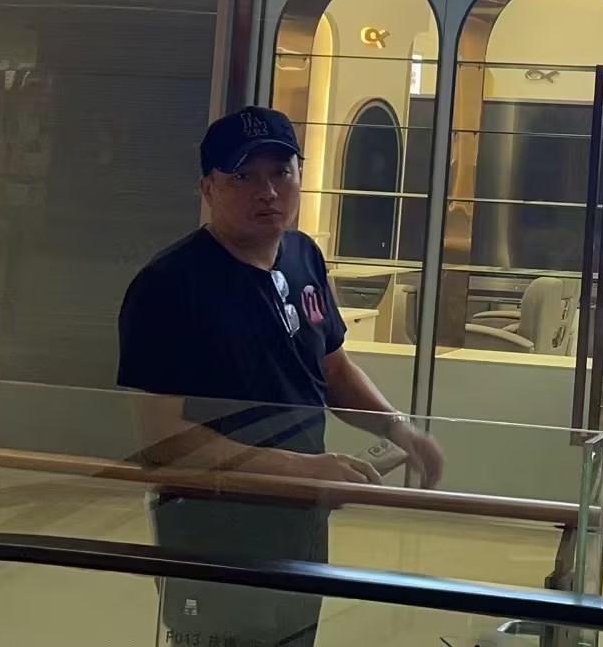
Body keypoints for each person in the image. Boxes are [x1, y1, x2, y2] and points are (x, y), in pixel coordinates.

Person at [117, 106, 445, 647]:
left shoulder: (303, 256)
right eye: (243, 176)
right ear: (208, 188)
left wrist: (397, 428)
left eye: (280, 172)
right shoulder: (170, 285)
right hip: (212, 525)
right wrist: (304, 469)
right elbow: (162, 439)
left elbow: (332, 367)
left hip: (299, 519)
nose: (267, 191)